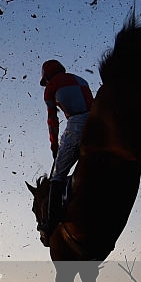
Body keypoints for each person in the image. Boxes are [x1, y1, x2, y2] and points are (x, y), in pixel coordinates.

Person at [40, 59, 94, 233]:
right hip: (96, 121)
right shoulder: (81, 80)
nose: (46, 83)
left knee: (58, 174)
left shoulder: (50, 89)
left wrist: (54, 145)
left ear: (47, 77)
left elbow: (52, 121)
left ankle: (52, 222)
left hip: (77, 125)